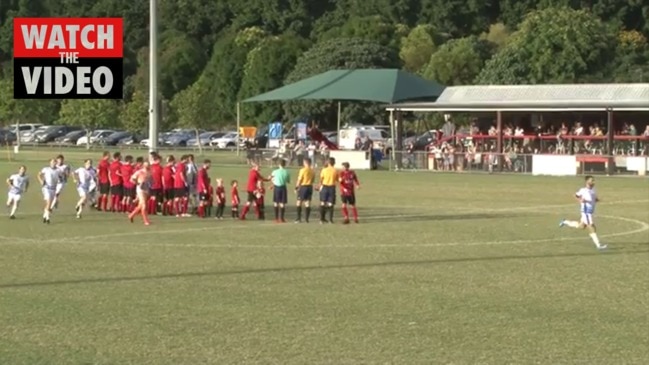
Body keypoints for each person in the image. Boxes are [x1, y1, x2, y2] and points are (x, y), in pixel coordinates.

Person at [559, 175, 607, 250]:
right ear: (587, 181)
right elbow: (576, 195)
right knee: (591, 226)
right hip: (586, 211)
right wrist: (580, 200)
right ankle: (598, 245)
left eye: (593, 180)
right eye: (592, 180)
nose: (593, 182)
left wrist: (597, 200)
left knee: (581, 226)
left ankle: (565, 221)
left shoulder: (593, 190)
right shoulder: (583, 190)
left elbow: (594, 198)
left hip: (590, 211)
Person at [128, 161, 151, 226]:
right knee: (144, 205)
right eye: (146, 165)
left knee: (140, 205)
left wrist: (150, 184)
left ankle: (131, 215)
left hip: (146, 189)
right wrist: (138, 183)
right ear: (144, 165)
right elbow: (132, 179)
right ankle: (146, 221)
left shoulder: (149, 172)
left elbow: (151, 181)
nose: (148, 166)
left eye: (148, 165)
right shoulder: (139, 172)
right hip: (140, 189)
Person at [38, 159, 60, 224]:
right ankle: (47, 218)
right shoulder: (46, 169)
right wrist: (41, 181)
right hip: (46, 188)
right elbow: (39, 175)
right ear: (50, 163)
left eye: (54, 162)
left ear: (56, 163)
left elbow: (62, 176)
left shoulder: (58, 170)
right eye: (52, 162)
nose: (53, 163)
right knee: (48, 202)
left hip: (53, 189)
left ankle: (44, 215)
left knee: (49, 204)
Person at [317, 157, 338, 224]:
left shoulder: (324, 170)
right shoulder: (335, 170)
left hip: (324, 187)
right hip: (331, 187)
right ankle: (330, 220)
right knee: (330, 203)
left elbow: (321, 180)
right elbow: (337, 180)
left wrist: (318, 186)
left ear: (328, 162)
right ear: (334, 163)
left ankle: (321, 219)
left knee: (323, 203)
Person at [294, 157, 315, 223]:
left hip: (303, 187)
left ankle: (298, 218)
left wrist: (296, 187)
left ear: (305, 162)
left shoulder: (302, 170)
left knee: (299, 202)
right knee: (307, 202)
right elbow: (313, 180)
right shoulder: (312, 171)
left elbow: (299, 179)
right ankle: (306, 219)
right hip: (309, 187)